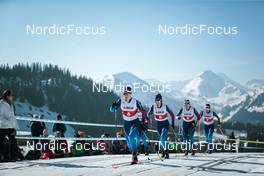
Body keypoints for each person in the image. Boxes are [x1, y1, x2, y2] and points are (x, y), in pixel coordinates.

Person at [110, 86, 146, 164]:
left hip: (135, 122)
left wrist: (143, 123)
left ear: (131, 94)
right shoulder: (121, 100)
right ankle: (134, 151)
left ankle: (134, 156)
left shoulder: (135, 102)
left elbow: (143, 112)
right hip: (126, 123)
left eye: (128, 93)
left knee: (131, 136)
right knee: (129, 142)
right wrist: (113, 106)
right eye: (125, 93)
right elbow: (112, 110)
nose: (126, 95)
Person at [147, 93, 175, 159]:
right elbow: (148, 114)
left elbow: (172, 115)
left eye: (159, 100)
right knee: (162, 140)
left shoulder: (165, 106)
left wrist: (173, 124)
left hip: (165, 125)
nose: (157, 102)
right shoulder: (153, 106)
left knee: (162, 138)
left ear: (161, 100)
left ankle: (165, 151)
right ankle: (164, 152)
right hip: (158, 125)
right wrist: (148, 118)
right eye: (156, 100)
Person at [0, 89, 20, 162]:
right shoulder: (1, 103)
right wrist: (7, 122)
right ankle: (2, 157)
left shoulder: (11, 104)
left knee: (13, 142)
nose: (12, 97)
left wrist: (15, 128)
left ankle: (12, 157)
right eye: (11, 95)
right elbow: (0, 116)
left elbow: (13, 117)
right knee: (1, 142)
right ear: (7, 96)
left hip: (10, 126)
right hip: (2, 126)